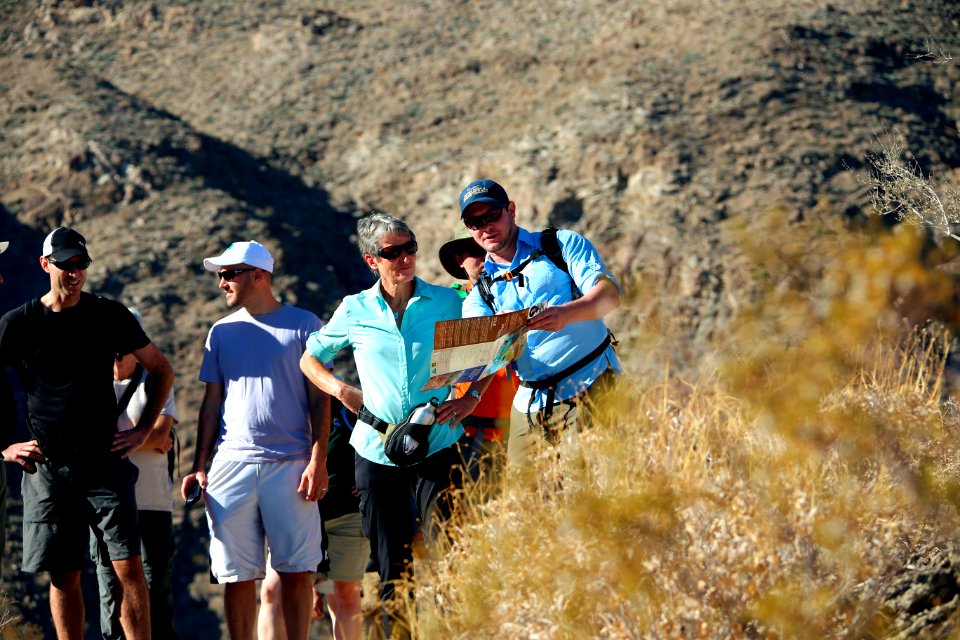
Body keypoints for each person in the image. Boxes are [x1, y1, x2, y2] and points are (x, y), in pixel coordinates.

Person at [299, 212, 480, 636]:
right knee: (392, 572)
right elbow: (310, 358)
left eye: (410, 248)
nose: (404, 258)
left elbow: (491, 347)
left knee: (451, 554)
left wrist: (473, 397)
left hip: (437, 443)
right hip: (376, 453)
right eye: (392, 252)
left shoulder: (447, 302)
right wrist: (342, 391)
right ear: (371, 261)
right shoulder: (355, 309)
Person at [0, 227, 174, 640]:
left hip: (104, 462)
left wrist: (143, 429)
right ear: (46, 265)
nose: (75, 273)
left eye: (81, 264)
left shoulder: (109, 315)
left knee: (128, 566)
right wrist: (3, 447)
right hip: (47, 467)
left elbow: (161, 368)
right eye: (66, 264)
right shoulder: (19, 323)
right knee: (64, 575)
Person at [181, 240, 328, 640]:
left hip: (292, 465)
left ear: (259, 276)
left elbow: (321, 400)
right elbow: (211, 405)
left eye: (229, 274)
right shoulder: (221, 332)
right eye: (220, 275)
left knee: (297, 572)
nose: (222, 283)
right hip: (231, 467)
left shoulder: (306, 325)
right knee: (236, 576)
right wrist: (199, 465)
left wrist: (318, 461)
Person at [457, 179, 622, 469]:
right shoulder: (478, 294)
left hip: (592, 383)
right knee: (523, 501)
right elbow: (485, 356)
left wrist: (566, 314)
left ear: (511, 210)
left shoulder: (560, 245)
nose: (485, 227)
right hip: (530, 405)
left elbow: (609, 296)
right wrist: (470, 395)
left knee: (588, 494)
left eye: (492, 215)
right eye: (474, 222)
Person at [90, 307, 180, 639]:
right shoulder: (91, 385)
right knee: (110, 593)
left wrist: (107, 443)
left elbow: (160, 435)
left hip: (152, 504)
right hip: (105, 506)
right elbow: (154, 439)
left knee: (156, 591)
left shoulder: (155, 383)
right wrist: (140, 437)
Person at [257, 396, 368, 640]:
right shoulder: (284, 401)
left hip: (344, 512)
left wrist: (366, 480)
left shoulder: (348, 404)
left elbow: (377, 441)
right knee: (273, 592)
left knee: (345, 594)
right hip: (294, 512)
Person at [438, 229, 518, 484]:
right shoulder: (450, 304)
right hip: (466, 429)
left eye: (487, 250)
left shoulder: (520, 291)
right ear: (460, 260)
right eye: (475, 252)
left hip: (520, 424)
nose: (484, 257)